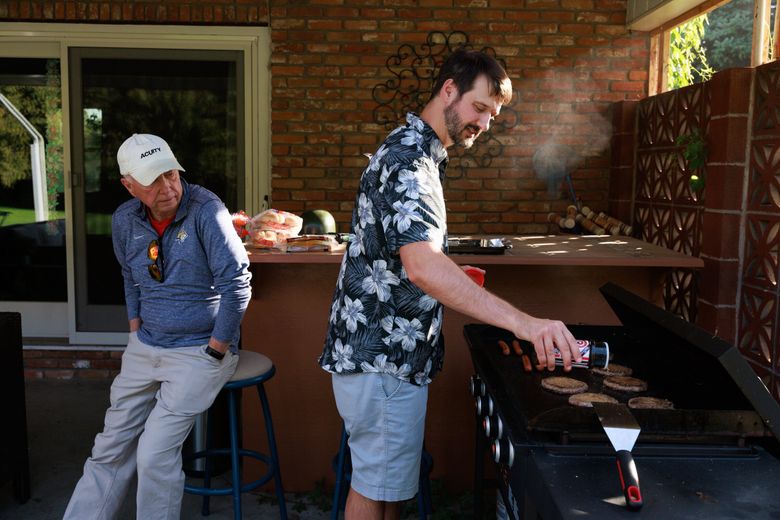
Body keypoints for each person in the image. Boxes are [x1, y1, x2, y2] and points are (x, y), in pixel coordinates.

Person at [318, 49, 582, 519]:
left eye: (493, 115)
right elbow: (421, 267)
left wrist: (449, 275)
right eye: (479, 108)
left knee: (384, 492)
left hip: (386, 358)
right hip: (383, 359)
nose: (484, 123)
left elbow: (416, 261)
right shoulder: (410, 162)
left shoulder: (419, 153)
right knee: (373, 490)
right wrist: (524, 323)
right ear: (448, 91)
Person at [63, 133, 252, 520]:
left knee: (153, 453)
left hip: (200, 349)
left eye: (171, 174)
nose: (167, 187)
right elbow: (129, 276)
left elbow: (237, 282)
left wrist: (217, 347)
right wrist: (135, 328)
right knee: (110, 446)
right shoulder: (123, 220)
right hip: (146, 345)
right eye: (153, 179)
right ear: (129, 186)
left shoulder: (206, 210)